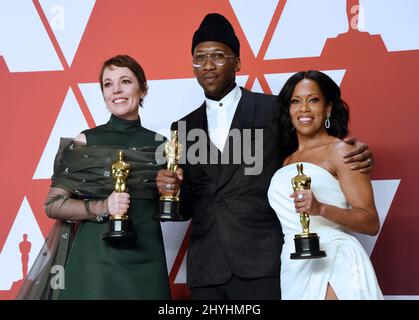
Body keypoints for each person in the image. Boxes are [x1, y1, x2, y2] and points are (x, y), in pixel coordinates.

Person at [156, 13, 374, 300]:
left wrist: (355, 151)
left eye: (218, 55)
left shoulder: (272, 110)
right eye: (200, 57)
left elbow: (308, 152)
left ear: (237, 62)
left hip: (262, 262)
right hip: (207, 268)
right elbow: (186, 208)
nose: (208, 65)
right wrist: (169, 190)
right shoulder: (182, 128)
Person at [18, 55, 170, 300]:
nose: (116, 90)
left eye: (125, 81)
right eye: (108, 84)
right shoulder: (86, 141)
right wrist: (103, 206)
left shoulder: (162, 146)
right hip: (96, 264)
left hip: (148, 262)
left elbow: (175, 207)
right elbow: (53, 204)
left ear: (143, 89)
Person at [268, 70, 383, 299]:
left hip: (336, 263)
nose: (304, 109)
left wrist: (320, 209)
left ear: (328, 107)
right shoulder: (285, 159)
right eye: (295, 101)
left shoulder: (342, 152)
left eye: (313, 100)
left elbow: (370, 222)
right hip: (294, 266)